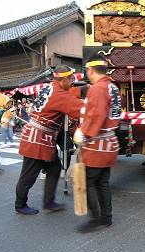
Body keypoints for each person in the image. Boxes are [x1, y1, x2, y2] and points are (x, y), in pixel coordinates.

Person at [14, 65, 84, 215]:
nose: (72, 81)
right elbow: (81, 108)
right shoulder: (60, 95)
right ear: (63, 79)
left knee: (54, 169)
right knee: (28, 175)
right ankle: (20, 205)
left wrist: (83, 90)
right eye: (71, 78)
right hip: (37, 140)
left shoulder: (49, 87)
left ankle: (49, 202)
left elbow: (68, 93)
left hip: (41, 137)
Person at [74, 55, 121, 233]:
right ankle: (106, 217)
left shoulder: (98, 89)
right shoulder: (112, 87)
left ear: (90, 70)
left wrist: (84, 132)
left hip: (97, 144)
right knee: (102, 182)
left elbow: (97, 115)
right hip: (110, 141)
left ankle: (96, 218)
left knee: (88, 181)